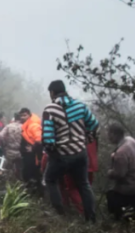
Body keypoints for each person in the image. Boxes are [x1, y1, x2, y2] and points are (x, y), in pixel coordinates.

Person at [41, 80, 98, 222]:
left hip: (62, 155)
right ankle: (91, 219)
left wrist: (53, 154)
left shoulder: (50, 109)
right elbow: (94, 125)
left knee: (50, 179)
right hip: (80, 153)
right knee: (83, 184)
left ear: (52, 93)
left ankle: (60, 215)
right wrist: (86, 140)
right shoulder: (80, 106)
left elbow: (48, 138)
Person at [106, 124, 135, 223]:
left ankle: (119, 221)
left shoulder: (121, 152)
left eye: (109, 134)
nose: (108, 136)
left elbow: (120, 174)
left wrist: (110, 173)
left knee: (112, 198)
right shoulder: (130, 140)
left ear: (115, 134)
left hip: (133, 186)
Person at [19, 107, 42, 189]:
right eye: (21, 116)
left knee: (33, 174)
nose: (22, 117)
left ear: (29, 115)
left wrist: (33, 148)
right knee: (28, 173)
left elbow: (39, 140)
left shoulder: (33, 125)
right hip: (27, 155)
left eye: (24, 115)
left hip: (32, 156)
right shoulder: (26, 126)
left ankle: (37, 193)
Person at [0, 113, 23, 179]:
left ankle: (8, 184)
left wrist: (4, 144)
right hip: (20, 151)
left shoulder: (9, 126)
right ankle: (20, 183)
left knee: (8, 169)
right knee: (20, 168)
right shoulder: (24, 126)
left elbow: (0, 135)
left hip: (10, 150)